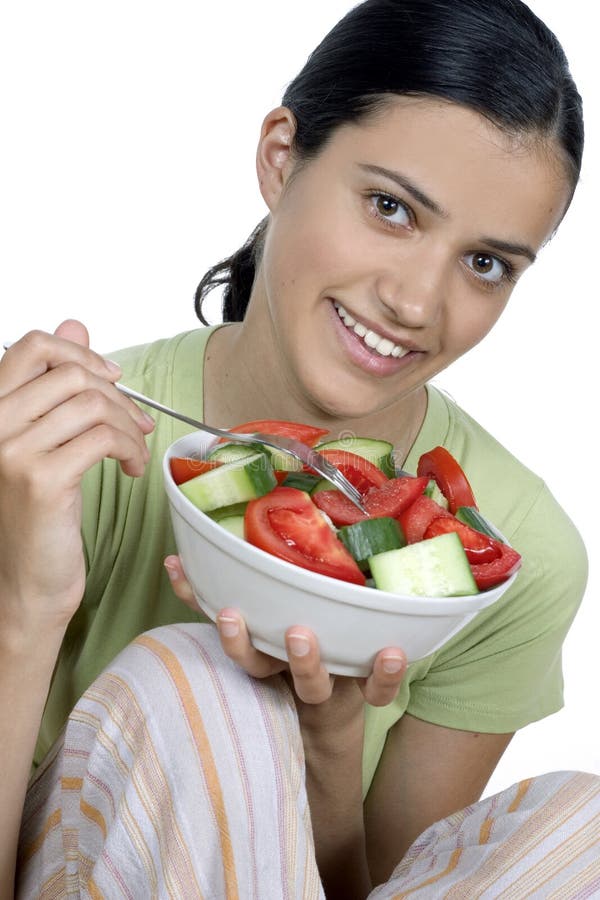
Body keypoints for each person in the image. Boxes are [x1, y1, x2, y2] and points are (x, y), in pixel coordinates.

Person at [2, 0, 599, 896]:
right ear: (281, 158)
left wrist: (328, 748)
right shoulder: (51, 455)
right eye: (391, 207)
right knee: (200, 680)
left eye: (486, 264)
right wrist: (25, 606)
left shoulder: (513, 554)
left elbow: (378, 888)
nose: (416, 302)